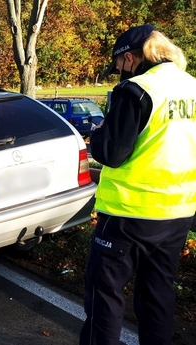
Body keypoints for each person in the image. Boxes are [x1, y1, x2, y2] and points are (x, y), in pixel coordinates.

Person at [80, 24, 196, 345]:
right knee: (157, 293)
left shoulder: (135, 90)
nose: (118, 71)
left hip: (129, 214)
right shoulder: (191, 87)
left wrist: (101, 132)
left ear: (130, 58)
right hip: (177, 213)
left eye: (118, 65)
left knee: (105, 293)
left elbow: (112, 155)